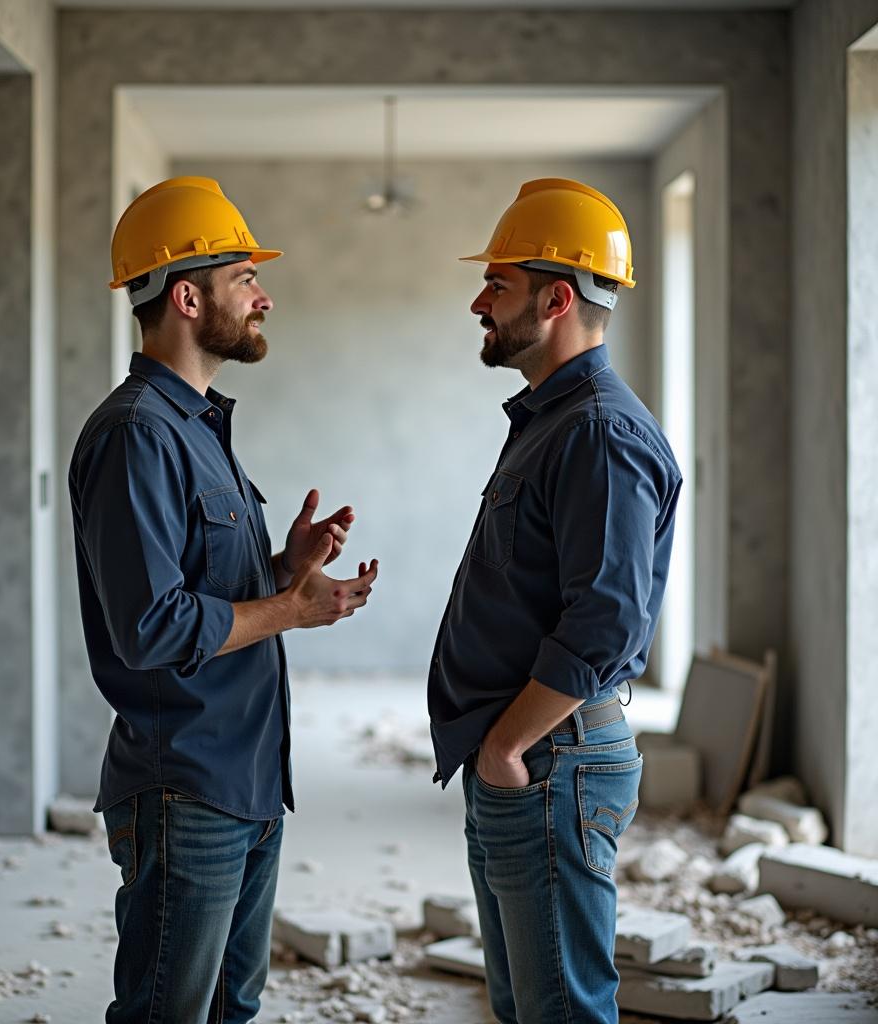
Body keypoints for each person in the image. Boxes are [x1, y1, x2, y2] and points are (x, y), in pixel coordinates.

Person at [69, 176, 379, 1024]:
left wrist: (287, 568)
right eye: (245, 278)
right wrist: (292, 611)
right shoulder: (137, 434)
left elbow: (199, 588)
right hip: (185, 790)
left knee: (230, 1009)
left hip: (246, 781)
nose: (263, 295)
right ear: (187, 296)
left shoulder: (196, 427)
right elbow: (151, 627)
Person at [428, 178, 682, 1024]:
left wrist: (505, 746)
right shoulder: (554, 420)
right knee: (525, 1007)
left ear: (557, 297)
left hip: (549, 759)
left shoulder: (599, 432)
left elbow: (607, 620)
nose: (479, 301)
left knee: (561, 1012)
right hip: (528, 759)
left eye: (496, 285)